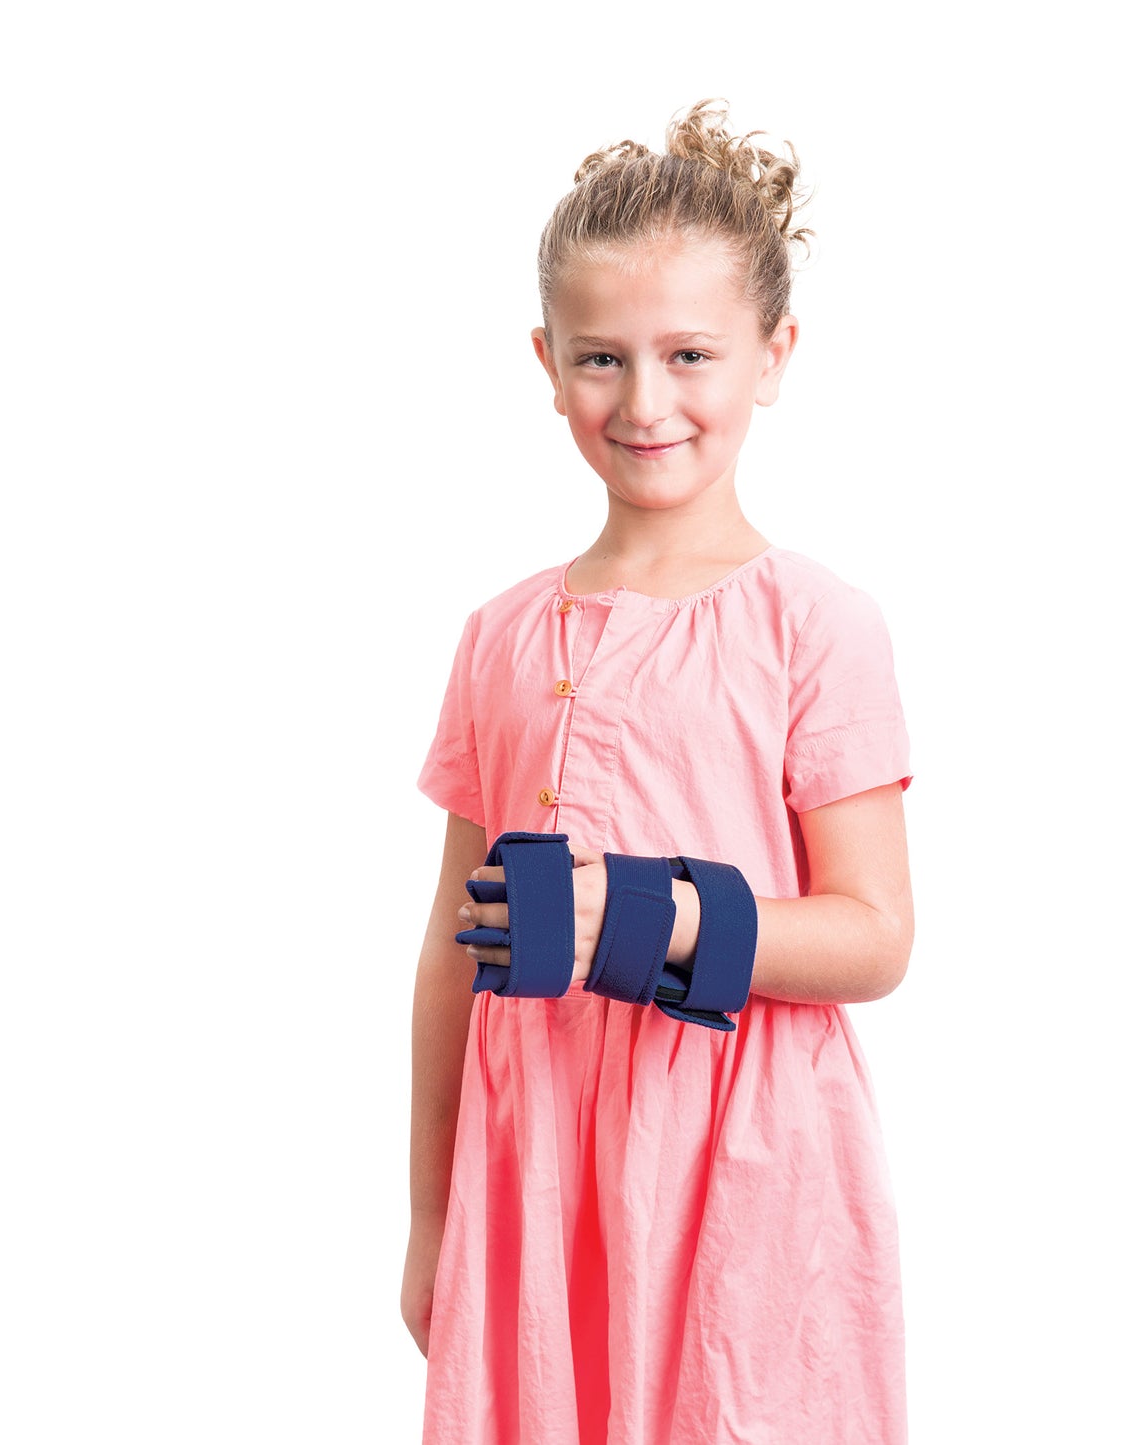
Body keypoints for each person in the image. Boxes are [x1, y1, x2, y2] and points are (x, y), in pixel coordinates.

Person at [402, 99, 916, 1444]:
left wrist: (646, 917)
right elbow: (452, 953)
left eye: (689, 353)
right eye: (599, 358)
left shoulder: (814, 621)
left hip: (743, 1164)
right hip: (537, 1170)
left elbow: (873, 935)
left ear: (771, 355)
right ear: (544, 358)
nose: (643, 402)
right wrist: (432, 1213)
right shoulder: (501, 634)